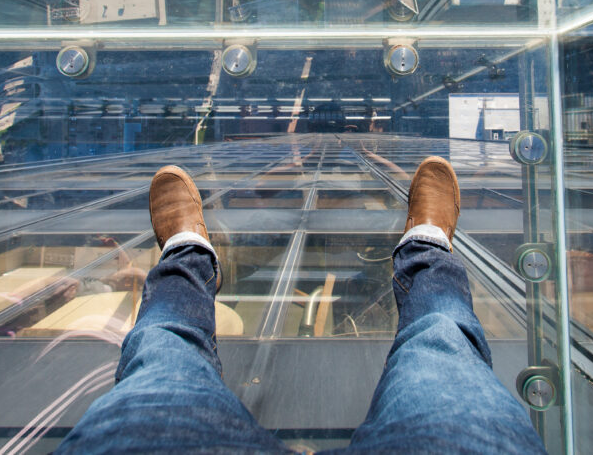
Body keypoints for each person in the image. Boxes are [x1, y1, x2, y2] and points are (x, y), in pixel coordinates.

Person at [59, 157, 546, 453]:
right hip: (358, 319)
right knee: (446, 355)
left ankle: (186, 255)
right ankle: (428, 246)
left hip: (354, 296)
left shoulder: (344, 212)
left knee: (159, 364)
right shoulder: (311, 209)